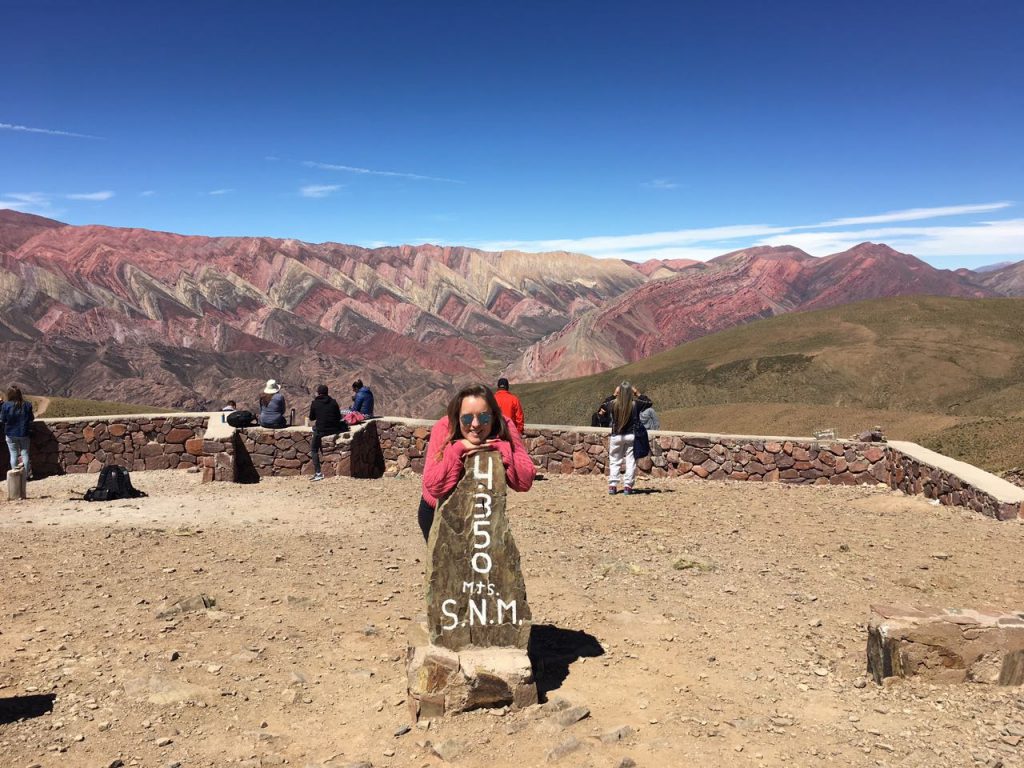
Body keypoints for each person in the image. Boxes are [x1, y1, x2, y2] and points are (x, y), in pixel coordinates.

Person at [418, 383, 536, 542]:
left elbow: (525, 481)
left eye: (484, 417)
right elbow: (433, 486)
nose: (475, 424)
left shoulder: (505, 425)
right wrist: (458, 449)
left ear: (493, 416)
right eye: (466, 418)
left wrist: (501, 447)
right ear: (457, 416)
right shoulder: (445, 426)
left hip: (482, 515)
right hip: (437, 513)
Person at [607, 380, 652, 496]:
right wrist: (637, 392)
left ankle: (612, 485)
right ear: (630, 393)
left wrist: (614, 394)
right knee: (630, 461)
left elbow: (603, 405)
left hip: (616, 435)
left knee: (614, 461)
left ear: (620, 392)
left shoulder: (613, 404)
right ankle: (627, 486)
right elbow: (649, 402)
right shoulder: (635, 404)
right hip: (631, 436)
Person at [307, 384, 347, 481]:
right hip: (334, 429)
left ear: (318, 393)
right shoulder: (333, 402)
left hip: (321, 430)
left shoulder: (315, 403)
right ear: (327, 392)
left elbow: (312, 418)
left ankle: (318, 472)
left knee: (313, 450)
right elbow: (338, 417)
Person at [1, 386, 34, 479]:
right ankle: (26, 475)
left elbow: (3, 419)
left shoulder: (5, 405)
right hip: (24, 433)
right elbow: (31, 418)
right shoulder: (27, 405)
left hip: (10, 433)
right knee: (25, 454)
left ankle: (16, 476)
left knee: (13, 454)